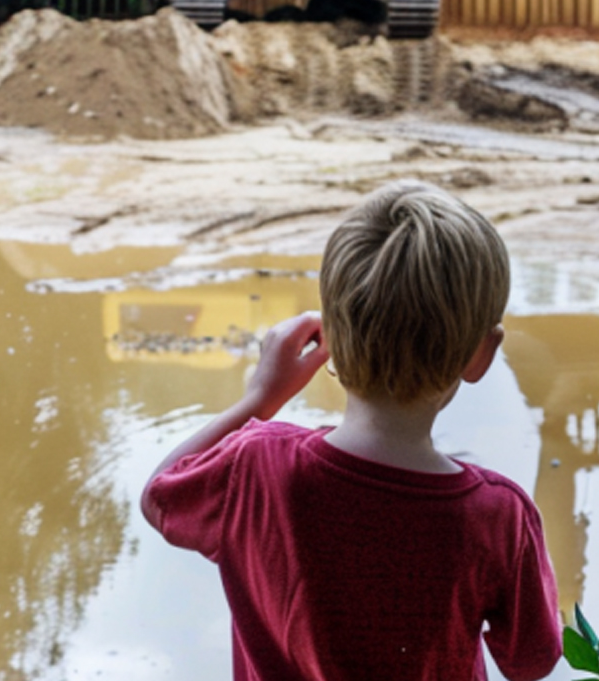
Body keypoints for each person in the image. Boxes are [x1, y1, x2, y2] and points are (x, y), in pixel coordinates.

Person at [139, 180, 561, 681]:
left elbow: (160, 497)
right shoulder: (498, 515)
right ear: (481, 355)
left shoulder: (255, 465)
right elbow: (531, 661)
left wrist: (261, 399)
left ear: (328, 336)